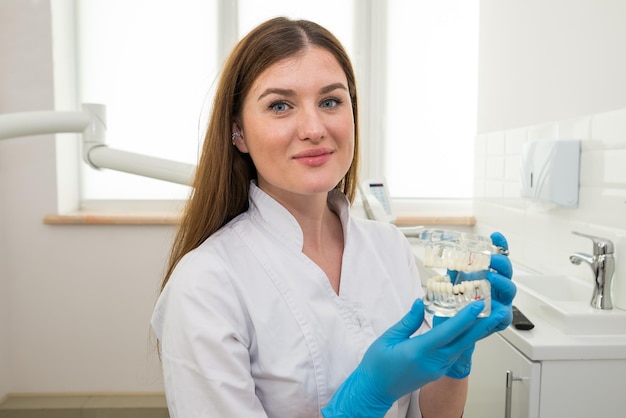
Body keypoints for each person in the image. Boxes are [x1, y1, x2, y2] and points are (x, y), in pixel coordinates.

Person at [150, 16, 516, 418]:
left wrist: (454, 357)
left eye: (330, 101)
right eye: (280, 105)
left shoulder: (388, 247)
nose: (313, 128)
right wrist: (362, 400)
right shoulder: (205, 284)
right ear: (238, 132)